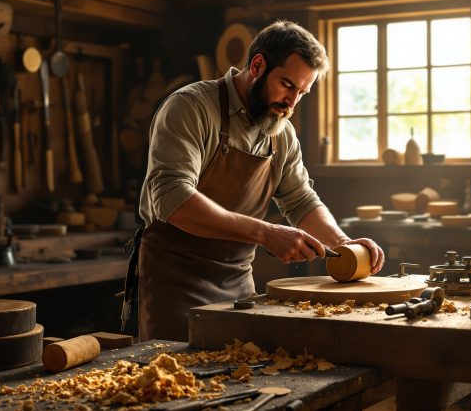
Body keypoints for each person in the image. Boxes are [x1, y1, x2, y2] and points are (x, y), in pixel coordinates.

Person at [135, 20, 385, 342]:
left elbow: (301, 200)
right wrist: (266, 233)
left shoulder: (281, 133)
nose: (292, 102)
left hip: (238, 283)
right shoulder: (191, 107)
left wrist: (342, 244)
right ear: (257, 65)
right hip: (175, 282)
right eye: (287, 85)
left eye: (302, 92)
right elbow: (172, 198)